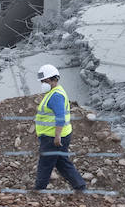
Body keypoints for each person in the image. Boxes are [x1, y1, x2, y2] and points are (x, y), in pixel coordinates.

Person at [32, 64, 87, 193]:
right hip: (57, 135)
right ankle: (80, 186)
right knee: (61, 162)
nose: (42, 84)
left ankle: (39, 190)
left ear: (53, 79)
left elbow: (60, 117)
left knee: (45, 163)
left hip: (53, 137)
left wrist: (57, 136)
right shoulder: (53, 92)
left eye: (44, 81)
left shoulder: (56, 95)